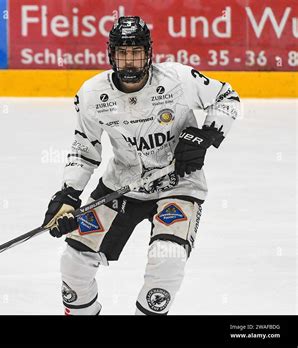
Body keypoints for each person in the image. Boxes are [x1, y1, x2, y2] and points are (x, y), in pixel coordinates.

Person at [42, 16, 240, 315]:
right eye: (123, 53)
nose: (130, 61)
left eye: (136, 52)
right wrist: (68, 195)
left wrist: (205, 135)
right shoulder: (93, 94)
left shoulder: (179, 79)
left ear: (149, 52)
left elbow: (227, 97)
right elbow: (85, 149)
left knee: (168, 257)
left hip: (179, 184)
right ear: (111, 55)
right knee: (74, 262)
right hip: (121, 185)